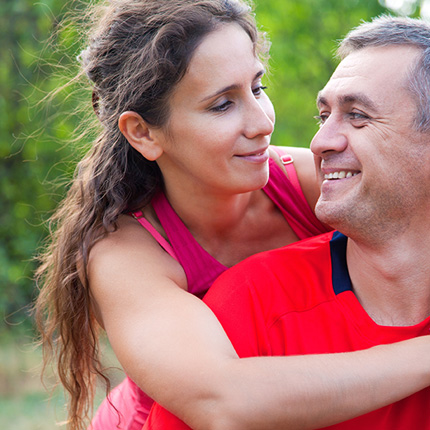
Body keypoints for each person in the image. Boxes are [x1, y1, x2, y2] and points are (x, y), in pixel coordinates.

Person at [34, 2, 430, 430]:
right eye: (222, 105)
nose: (261, 123)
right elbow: (221, 401)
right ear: (143, 132)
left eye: (257, 88)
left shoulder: (308, 183)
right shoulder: (125, 252)